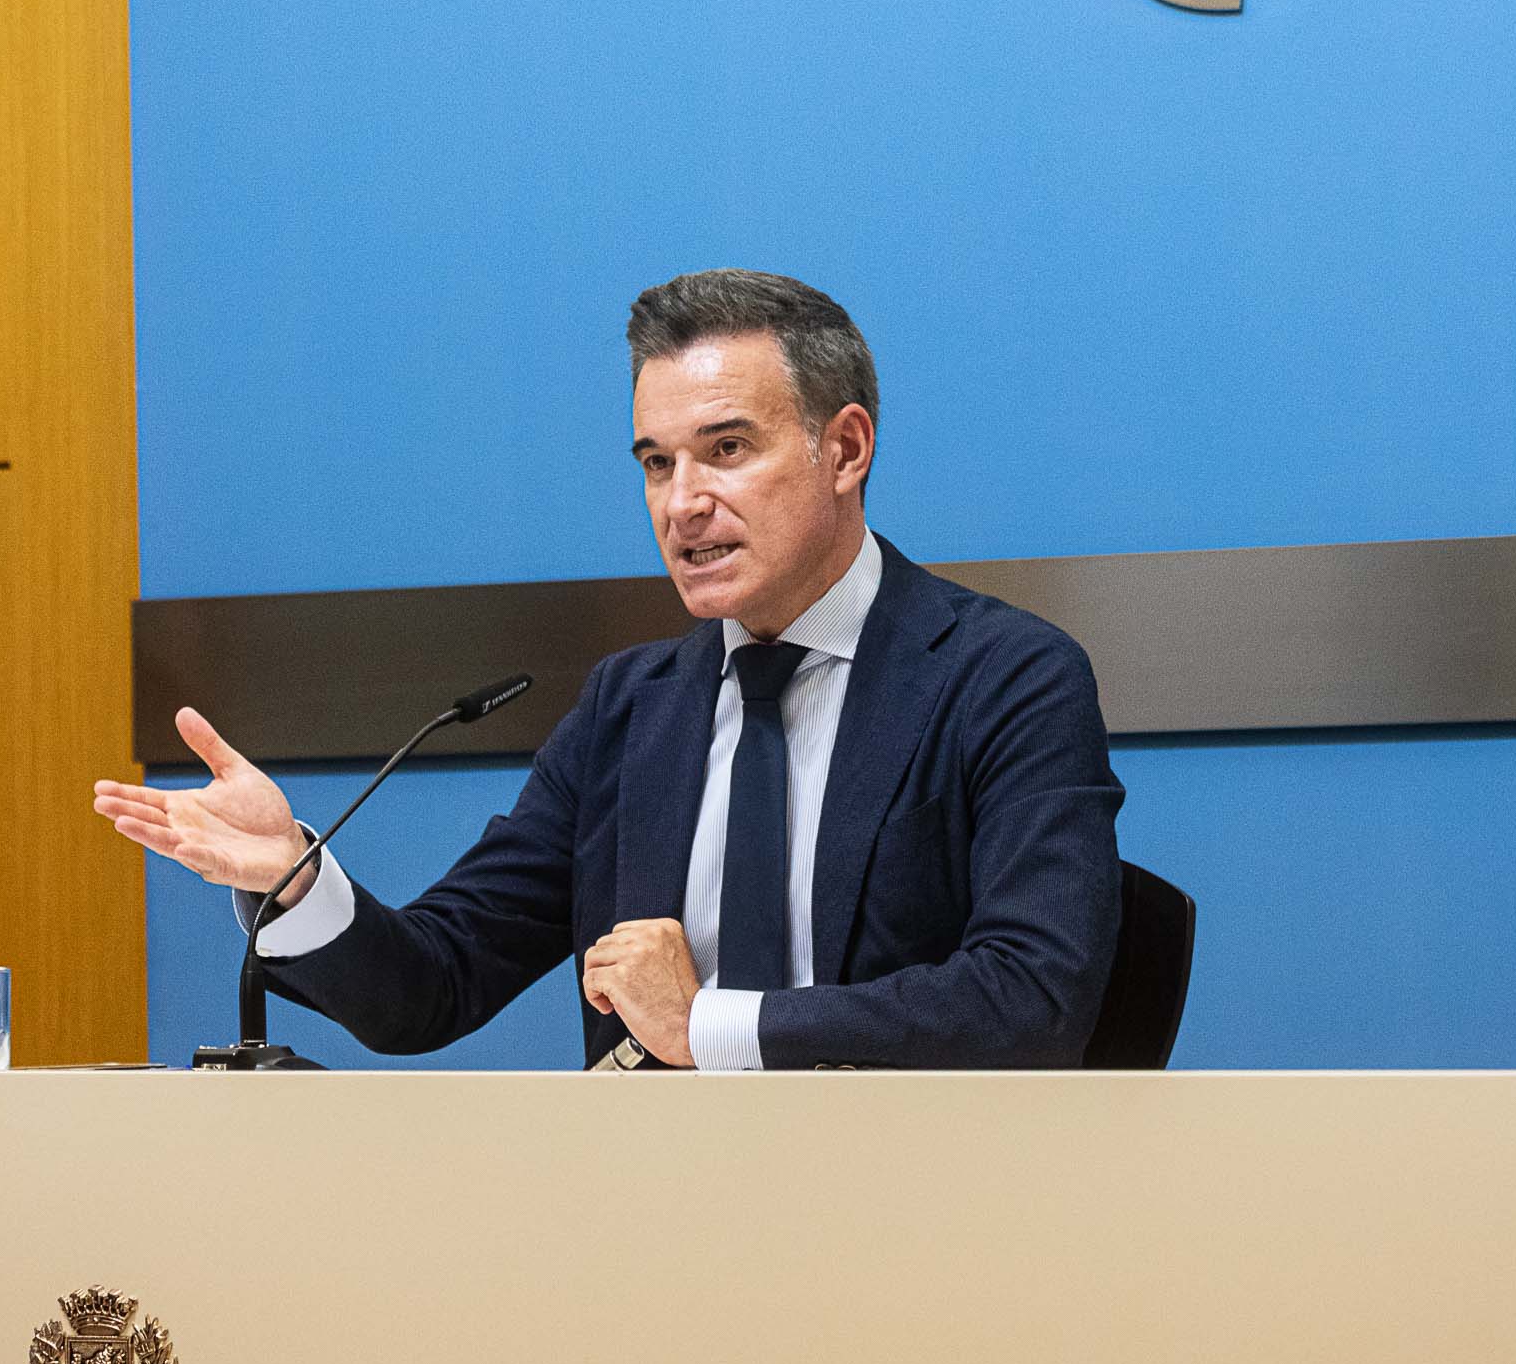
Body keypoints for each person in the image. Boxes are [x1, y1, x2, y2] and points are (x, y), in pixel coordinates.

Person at [91, 270, 1124, 1068]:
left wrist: (704, 1025)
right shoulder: (632, 709)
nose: (683, 502)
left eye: (727, 449)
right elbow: (434, 986)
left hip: (912, 1217)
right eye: (657, 462)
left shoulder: (1004, 678)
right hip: (646, 1223)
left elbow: (1034, 994)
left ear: (845, 450)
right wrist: (296, 880)